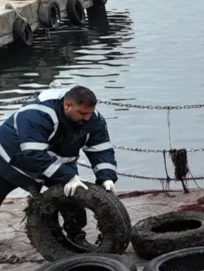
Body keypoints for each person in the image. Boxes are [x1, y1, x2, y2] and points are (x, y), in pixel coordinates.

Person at [0, 85, 118, 241]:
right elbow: (33, 153)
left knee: (73, 198)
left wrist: (106, 177)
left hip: (53, 163)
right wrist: (68, 175)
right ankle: (51, 235)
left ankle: (75, 238)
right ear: (68, 105)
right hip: (9, 159)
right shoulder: (37, 114)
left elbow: (101, 150)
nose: (87, 118)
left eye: (90, 113)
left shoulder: (93, 120)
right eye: (82, 113)